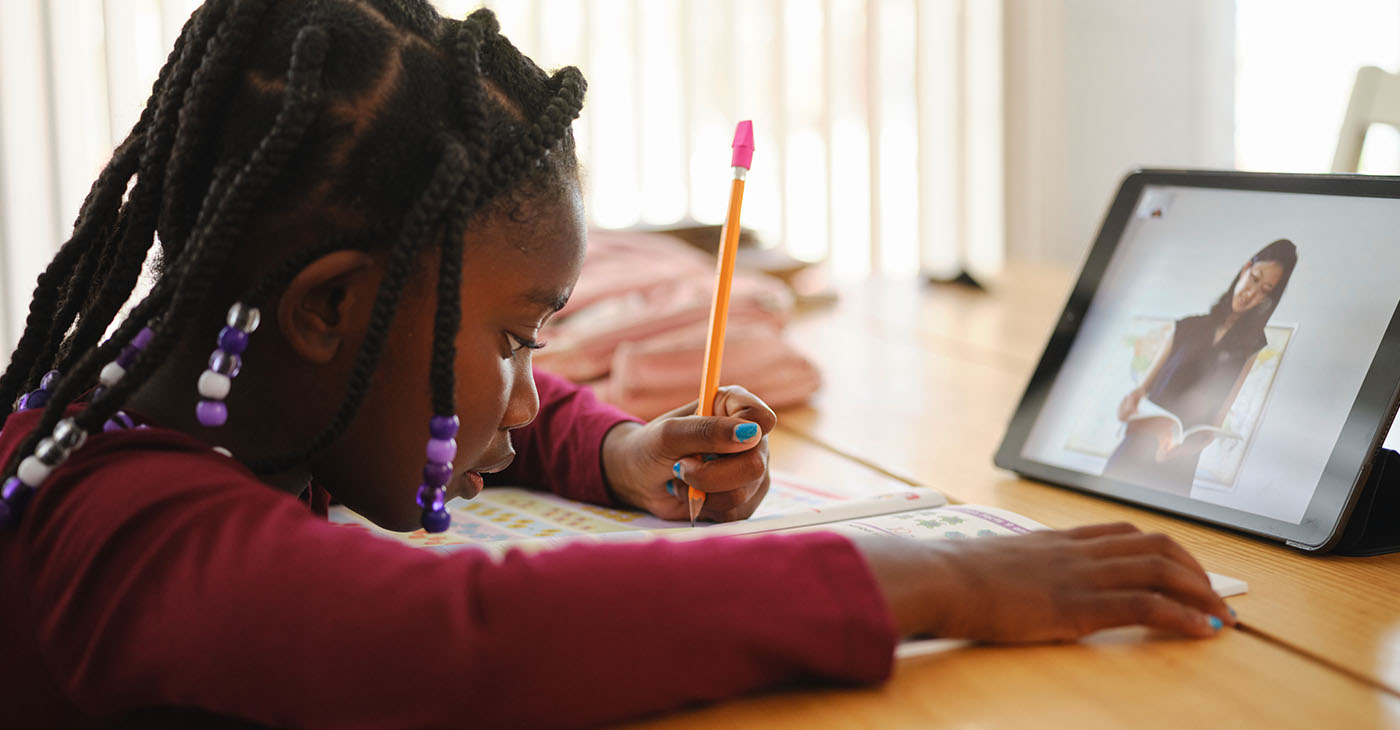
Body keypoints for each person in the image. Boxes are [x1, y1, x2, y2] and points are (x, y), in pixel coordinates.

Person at [0, 2, 1234, 727]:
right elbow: (456, 634)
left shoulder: (235, 391)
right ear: (329, 309)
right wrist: (922, 580)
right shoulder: (116, 521)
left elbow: (472, 414)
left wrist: (617, 448)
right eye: (508, 338)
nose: (530, 389)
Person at [1105, 239, 1299, 495]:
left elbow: (1215, 424)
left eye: (1264, 290)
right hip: (1134, 451)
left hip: (1179, 463)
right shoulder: (1185, 326)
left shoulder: (1251, 347)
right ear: (1244, 270)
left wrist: (1183, 450)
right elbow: (1136, 398)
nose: (1251, 294)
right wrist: (1127, 407)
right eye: (1253, 279)